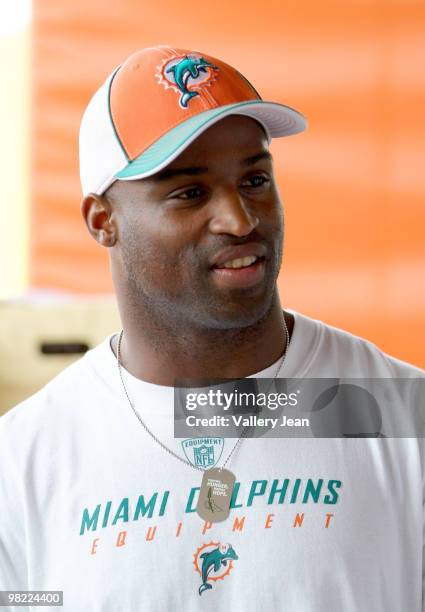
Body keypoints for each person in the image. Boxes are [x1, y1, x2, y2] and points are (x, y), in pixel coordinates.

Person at [0, 45, 424, 612]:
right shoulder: (25, 461)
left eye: (254, 180)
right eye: (190, 192)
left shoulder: (403, 419)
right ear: (104, 222)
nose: (240, 219)